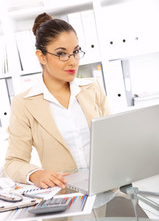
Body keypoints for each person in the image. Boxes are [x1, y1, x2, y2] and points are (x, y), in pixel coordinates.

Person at [5, 13, 110, 189]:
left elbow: (113, 139)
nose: (73, 61)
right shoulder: (23, 103)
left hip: (107, 186)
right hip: (65, 196)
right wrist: (35, 174)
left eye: (75, 52)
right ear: (41, 56)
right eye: (62, 54)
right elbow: (13, 162)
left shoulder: (93, 88)